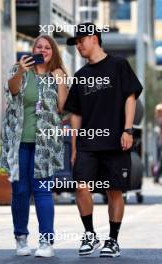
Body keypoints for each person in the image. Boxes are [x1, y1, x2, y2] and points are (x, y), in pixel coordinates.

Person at [64, 22, 143, 258]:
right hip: (87, 143)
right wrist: (75, 147)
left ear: (94, 38)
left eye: (80, 40)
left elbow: (130, 97)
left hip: (115, 140)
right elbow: (75, 114)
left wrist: (127, 130)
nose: (78, 45)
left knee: (114, 190)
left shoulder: (118, 65)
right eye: (76, 42)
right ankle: (90, 235)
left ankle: (113, 240)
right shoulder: (80, 76)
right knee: (81, 187)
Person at [0, 35, 68, 257]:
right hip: (18, 142)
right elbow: (13, 90)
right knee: (20, 191)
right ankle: (21, 239)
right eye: (39, 46)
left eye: (47, 47)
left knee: (43, 192)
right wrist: (20, 71)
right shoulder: (19, 70)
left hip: (44, 144)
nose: (43, 50)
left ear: (53, 52)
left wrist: (60, 82)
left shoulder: (59, 75)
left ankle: (47, 243)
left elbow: (63, 109)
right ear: (33, 49)